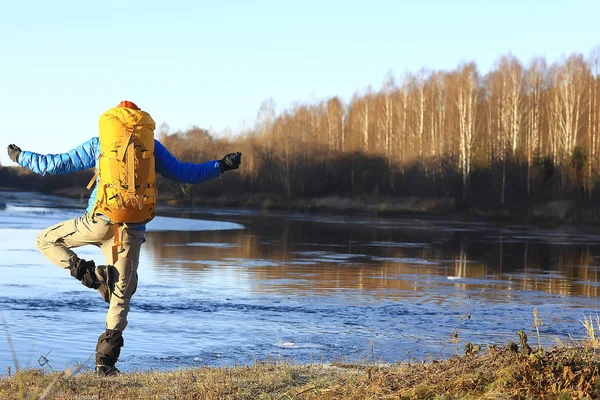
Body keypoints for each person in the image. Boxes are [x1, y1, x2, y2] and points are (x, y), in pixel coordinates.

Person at [6, 101, 242, 376]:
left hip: (98, 221)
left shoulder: (101, 144)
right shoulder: (151, 147)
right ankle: (105, 364)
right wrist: (221, 165)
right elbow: (185, 173)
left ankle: (91, 276)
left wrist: (21, 156)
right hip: (131, 228)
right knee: (121, 294)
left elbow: (55, 165)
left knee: (45, 240)